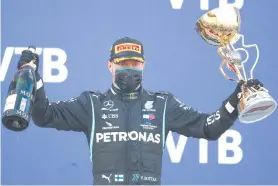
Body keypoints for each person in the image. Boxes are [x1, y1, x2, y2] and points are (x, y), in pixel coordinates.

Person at [17, 37, 263, 185]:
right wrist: (33, 79)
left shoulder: (163, 104)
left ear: (143, 65)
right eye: (123, 63)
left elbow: (209, 128)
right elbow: (44, 115)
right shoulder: (91, 104)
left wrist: (236, 99)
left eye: (134, 64)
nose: (129, 68)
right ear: (110, 66)